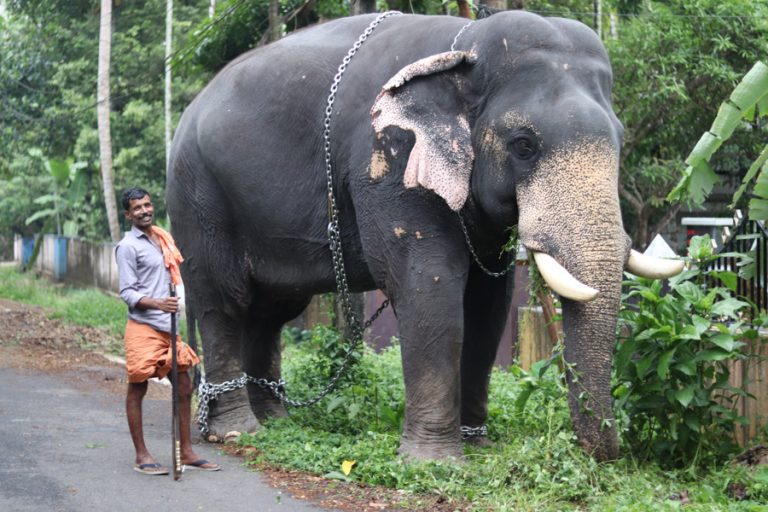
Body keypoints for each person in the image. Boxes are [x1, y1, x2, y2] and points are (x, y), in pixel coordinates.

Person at [115, 187, 220, 475]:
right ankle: (141, 455)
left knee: (184, 385)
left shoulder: (162, 238)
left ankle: (185, 452)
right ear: (128, 214)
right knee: (138, 388)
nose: (144, 211)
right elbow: (127, 292)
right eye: (137, 208)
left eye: (147, 205)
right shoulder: (127, 247)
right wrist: (158, 302)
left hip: (168, 328)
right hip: (142, 327)